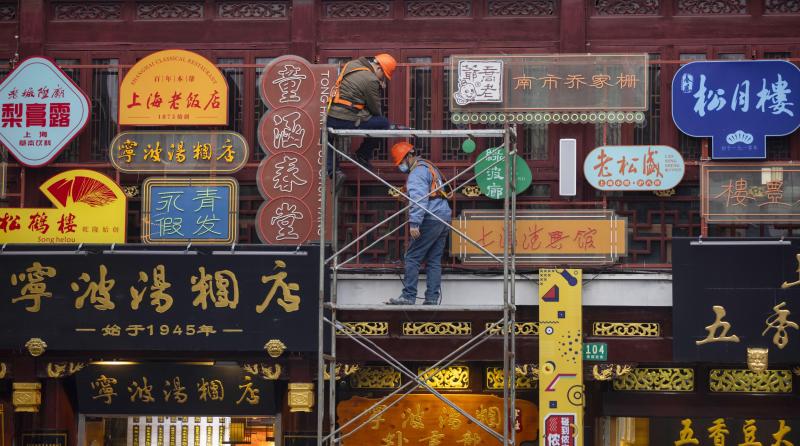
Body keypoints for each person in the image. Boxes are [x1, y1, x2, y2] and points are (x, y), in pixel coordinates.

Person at [386, 142, 452, 305]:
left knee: (412, 257)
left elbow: (419, 199)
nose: (401, 166)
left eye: (401, 161)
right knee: (434, 259)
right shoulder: (429, 167)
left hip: (430, 217)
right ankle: (431, 298)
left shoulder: (416, 173)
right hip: (443, 216)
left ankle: (408, 296)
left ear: (409, 156)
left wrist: (415, 223)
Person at [326, 53, 397, 180]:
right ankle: (362, 155)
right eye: (384, 76)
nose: (383, 80)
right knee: (383, 123)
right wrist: (379, 87)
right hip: (345, 120)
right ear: (379, 68)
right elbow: (375, 109)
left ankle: (333, 171)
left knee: (328, 138)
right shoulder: (371, 80)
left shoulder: (352, 64)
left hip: (330, 117)